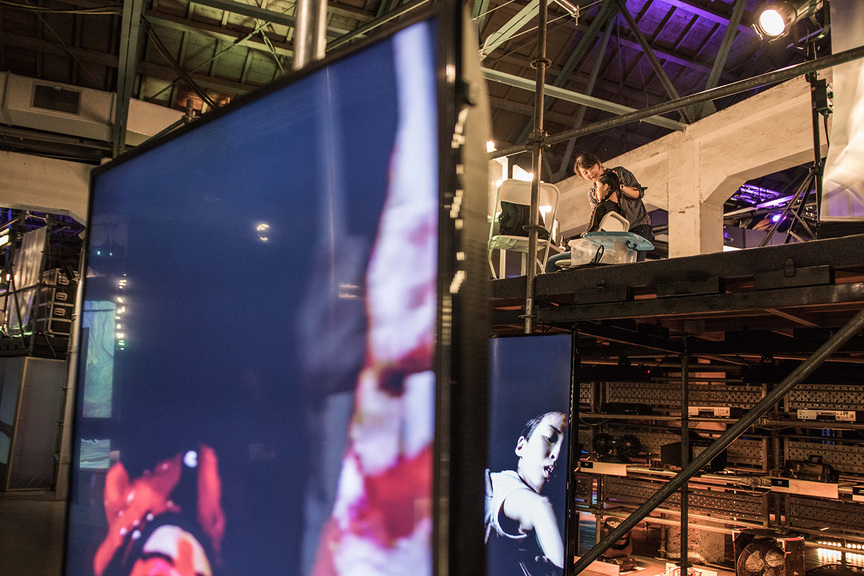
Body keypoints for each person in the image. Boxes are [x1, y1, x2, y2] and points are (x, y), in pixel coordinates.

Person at [485, 411, 568, 576]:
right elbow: (538, 507)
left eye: (565, 447)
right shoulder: (502, 485)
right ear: (521, 446)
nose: (556, 455)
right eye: (550, 438)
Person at [575, 152, 654, 261]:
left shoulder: (620, 173)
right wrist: (599, 200)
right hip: (617, 234)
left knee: (635, 265)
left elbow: (639, 193)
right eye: (585, 172)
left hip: (638, 225)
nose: (590, 174)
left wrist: (619, 186)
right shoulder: (593, 192)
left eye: (591, 168)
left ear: (598, 163)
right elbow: (601, 218)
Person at [544, 170, 623, 272]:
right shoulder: (620, 212)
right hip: (606, 256)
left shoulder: (601, 208)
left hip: (591, 254)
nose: (596, 191)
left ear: (606, 187)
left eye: (597, 187)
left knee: (550, 262)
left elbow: (591, 234)